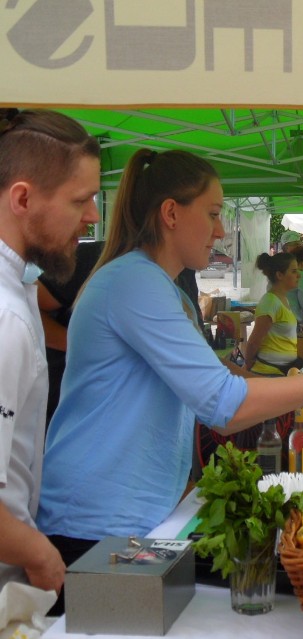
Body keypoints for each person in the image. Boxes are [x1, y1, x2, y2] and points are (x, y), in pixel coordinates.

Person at [35, 149, 303, 598]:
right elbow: (223, 407)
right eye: (212, 214)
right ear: (171, 213)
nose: (221, 230)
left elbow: (226, 381)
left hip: (138, 521)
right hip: (96, 528)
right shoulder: (135, 283)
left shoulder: (166, 290)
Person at [0, 108, 101, 597]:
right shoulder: (7, 317)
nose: (94, 216)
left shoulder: (16, 293)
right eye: (80, 200)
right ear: (22, 197)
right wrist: (41, 556)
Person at [37, 240, 105, 425]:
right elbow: (31, 308)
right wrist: (77, 344)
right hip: (70, 418)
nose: (93, 216)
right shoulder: (95, 258)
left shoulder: (184, 270)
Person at [243, 252, 302, 375]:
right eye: (294, 271)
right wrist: (248, 363)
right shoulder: (270, 302)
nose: (299, 275)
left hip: (284, 371)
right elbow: (254, 341)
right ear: (280, 275)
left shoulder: (283, 300)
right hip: (269, 372)